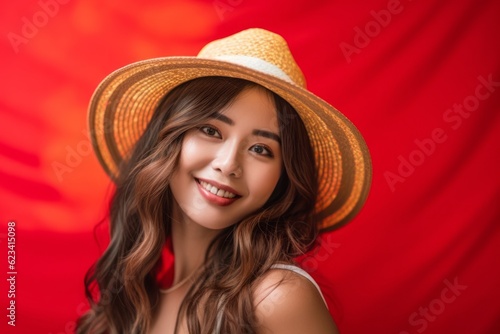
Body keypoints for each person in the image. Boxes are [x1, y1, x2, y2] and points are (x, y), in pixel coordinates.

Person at [77, 28, 372, 334]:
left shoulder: (277, 298)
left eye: (261, 149)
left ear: (283, 179)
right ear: (168, 139)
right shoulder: (137, 299)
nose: (229, 164)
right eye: (211, 131)